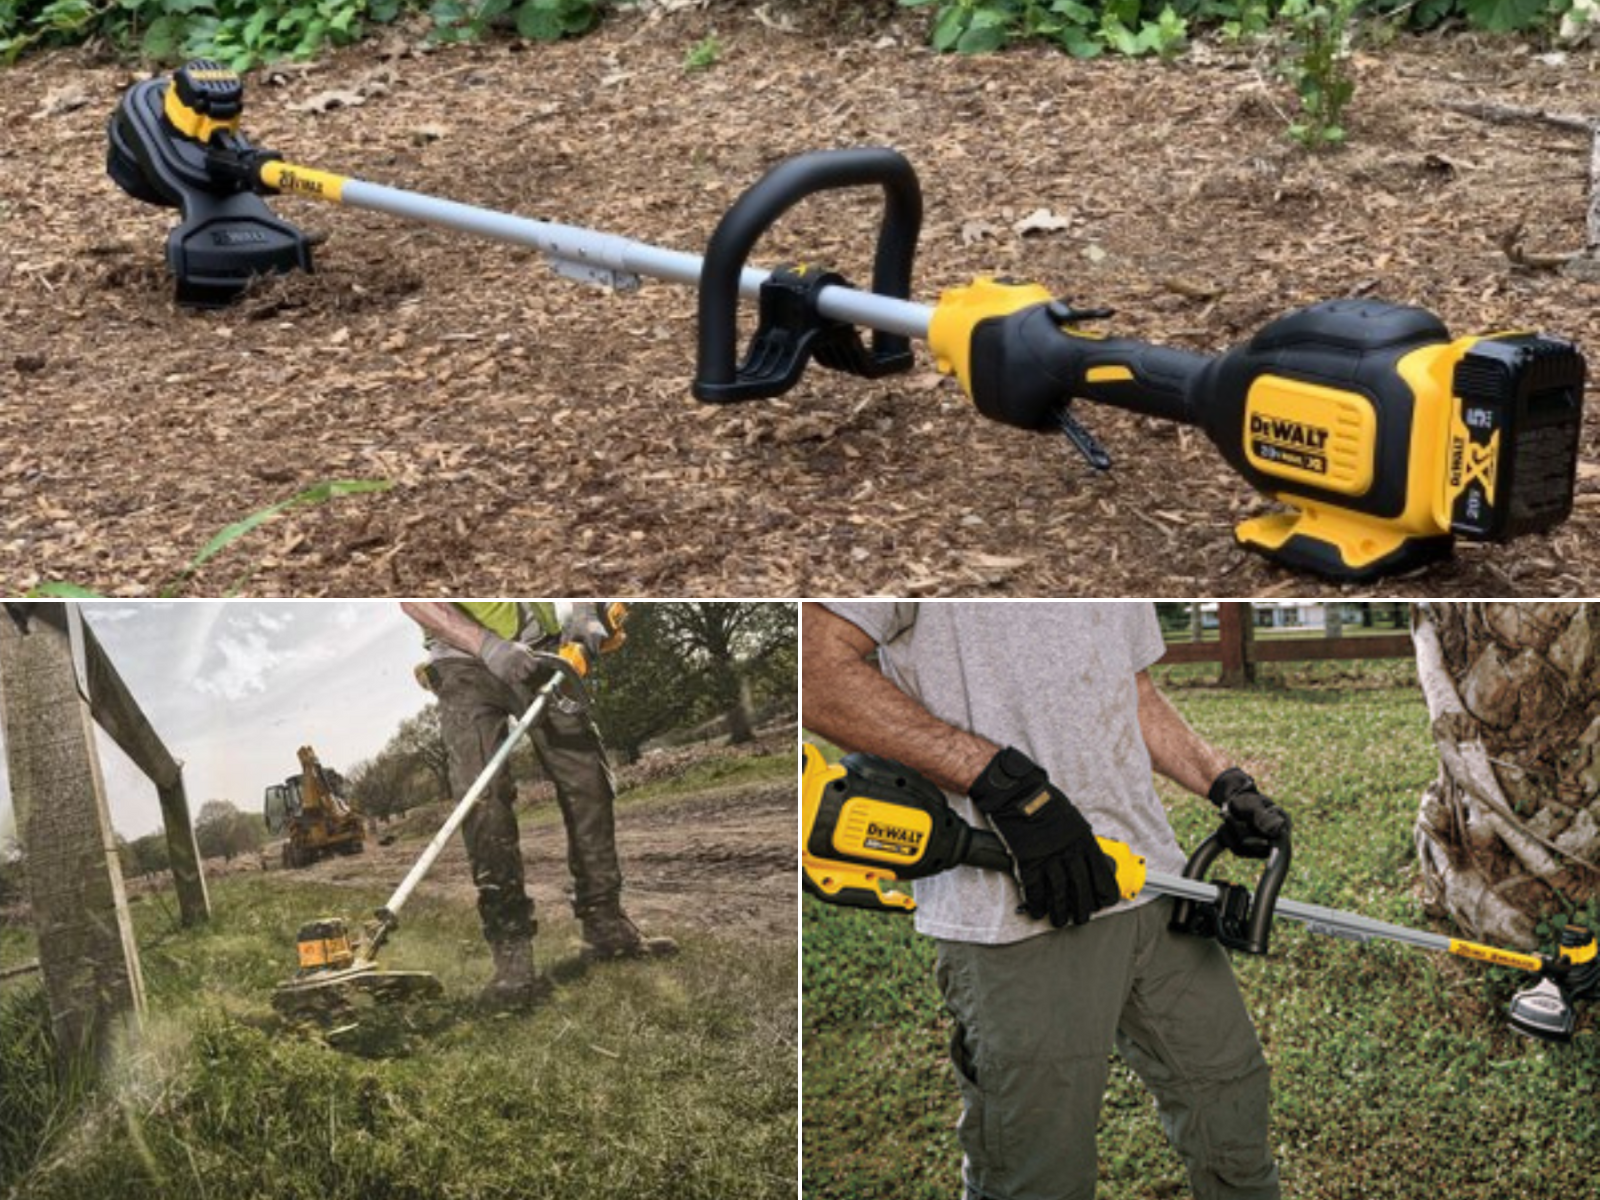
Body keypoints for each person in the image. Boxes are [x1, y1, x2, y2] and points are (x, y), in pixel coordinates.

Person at [801, 602, 1287, 1200]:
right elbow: (815, 670)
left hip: (1154, 888)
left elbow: (1133, 692)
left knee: (1233, 1107)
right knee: (1036, 1177)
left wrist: (1223, 782)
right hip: (1013, 914)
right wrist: (998, 781)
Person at [401, 601, 676, 1010]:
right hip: (462, 663)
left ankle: (604, 923)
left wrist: (585, 614)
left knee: (588, 780)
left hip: (543, 649)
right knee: (484, 800)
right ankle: (511, 952)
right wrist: (488, 646)